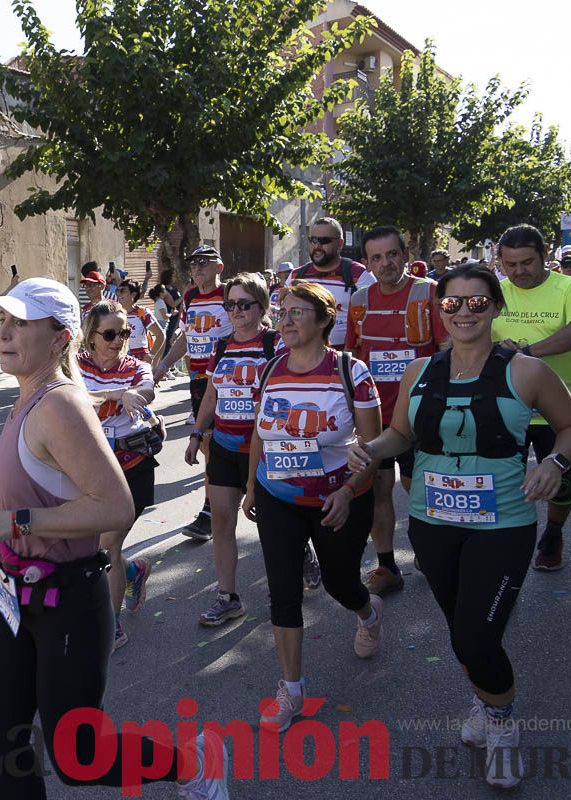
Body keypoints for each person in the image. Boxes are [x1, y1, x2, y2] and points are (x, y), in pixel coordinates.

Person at [0, 277, 229, 799]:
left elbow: (114, 506)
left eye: (21, 323)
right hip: (19, 594)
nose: (4, 333)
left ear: (60, 337)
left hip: (69, 598)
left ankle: (193, 765)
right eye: (3, 321)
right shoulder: (26, 399)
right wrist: (11, 510)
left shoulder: (59, 404)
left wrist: (17, 521)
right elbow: (56, 491)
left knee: (79, 758)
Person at [348, 264, 571, 788]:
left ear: (496, 308)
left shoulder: (525, 371)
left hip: (502, 526)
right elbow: (399, 436)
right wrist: (370, 452)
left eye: (477, 303)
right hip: (432, 526)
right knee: (462, 633)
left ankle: (502, 724)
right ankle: (486, 698)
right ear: (440, 310)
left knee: (478, 638)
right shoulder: (420, 372)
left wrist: (556, 464)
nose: (463, 312)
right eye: (452, 303)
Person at [239, 281, 383, 735]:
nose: (285, 319)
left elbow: (372, 447)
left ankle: (367, 611)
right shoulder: (271, 368)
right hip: (278, 496)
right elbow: (261, 432)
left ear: (325, 320)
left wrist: (348, 489)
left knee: (341, 583)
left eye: (297, 312)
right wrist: (251, 485)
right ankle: (292, 688)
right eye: (282, 311)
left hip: (337, 499)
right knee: (283, 591)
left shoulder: (350, 371)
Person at [346, 226, 448, 595]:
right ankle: (387, 566)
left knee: (418, 489)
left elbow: (448, 351)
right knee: (379, 491)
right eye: (376, 257)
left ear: (405, 254)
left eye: (391, 255)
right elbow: (353, 358)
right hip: (377, 417)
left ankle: (427, 551)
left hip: (422, 415)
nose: (385, 263)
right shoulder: (359, 299)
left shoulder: (429, 292)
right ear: (368, 262)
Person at [491, 225, 571, 572]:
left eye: (527, 262)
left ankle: (553, 532)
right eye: (510, 264)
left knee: (560, 483)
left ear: (545, 253)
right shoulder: (494, 292)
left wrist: (526, 352)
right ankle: (506, 544)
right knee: (504, 484)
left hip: (556, 410)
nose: (519, 271)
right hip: (507, 408)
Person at [185, 273, 278, 627]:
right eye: (230, 304)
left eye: (244, 304)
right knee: (222, 520)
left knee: (271, 525)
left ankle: (295, 564)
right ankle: (228, 597)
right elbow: (212, 393)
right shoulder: (221, 345)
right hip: (223, 445)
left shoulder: (276, 344)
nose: (236, 311)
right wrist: (196, 433)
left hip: (264, 451)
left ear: (261, 306)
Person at [78, 301, 159, 650]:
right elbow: (73, 396)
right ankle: (132, 572)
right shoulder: (73, 365)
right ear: (91, 336)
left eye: (124, 333)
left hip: (131, 468)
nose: (118, 340)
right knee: (95, 547)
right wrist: (112, 394)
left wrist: (132, 394)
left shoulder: (136, 367)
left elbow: (147, 389)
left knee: (105, 545)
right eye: (109, 334)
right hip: (88, 471)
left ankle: (112, 626)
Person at [153, 245, 233, 541]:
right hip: (199, 380)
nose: (198, 268)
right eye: (194, 264)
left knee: (238, 442)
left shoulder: (229, 295)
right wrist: (163, 364)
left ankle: (230, 502)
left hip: (229, 380)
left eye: (205, 263)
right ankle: (211, 509)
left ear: (219, 267)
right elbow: (187, 336)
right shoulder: (189, 296)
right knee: (207, 443)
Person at [284, 217, 375, 347]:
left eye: (324, 241)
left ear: (340, 244)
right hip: (304, 355)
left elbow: (374, 318)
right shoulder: (295, 275)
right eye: (313, 240)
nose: (317, 246)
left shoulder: (359, 275)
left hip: (345, 356)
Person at [115, 279, 164, 363]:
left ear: (133, 294)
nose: (119, 293)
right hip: (119, 360)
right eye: (118, 291)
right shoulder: (113, 314)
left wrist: (151, 355)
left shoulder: (143, 313)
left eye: (123, 291)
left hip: (140, 361)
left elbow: (161, 335)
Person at [157, 267, 183, 363]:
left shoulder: (174, 287)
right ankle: (163, 361)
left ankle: (172, 365)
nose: (175, 277)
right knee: (168, 339)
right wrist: (184, 296)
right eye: (173, 276)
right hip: (170, 316)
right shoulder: (165, 289)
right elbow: (173, 304)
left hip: (177, 316)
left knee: (176, 339)